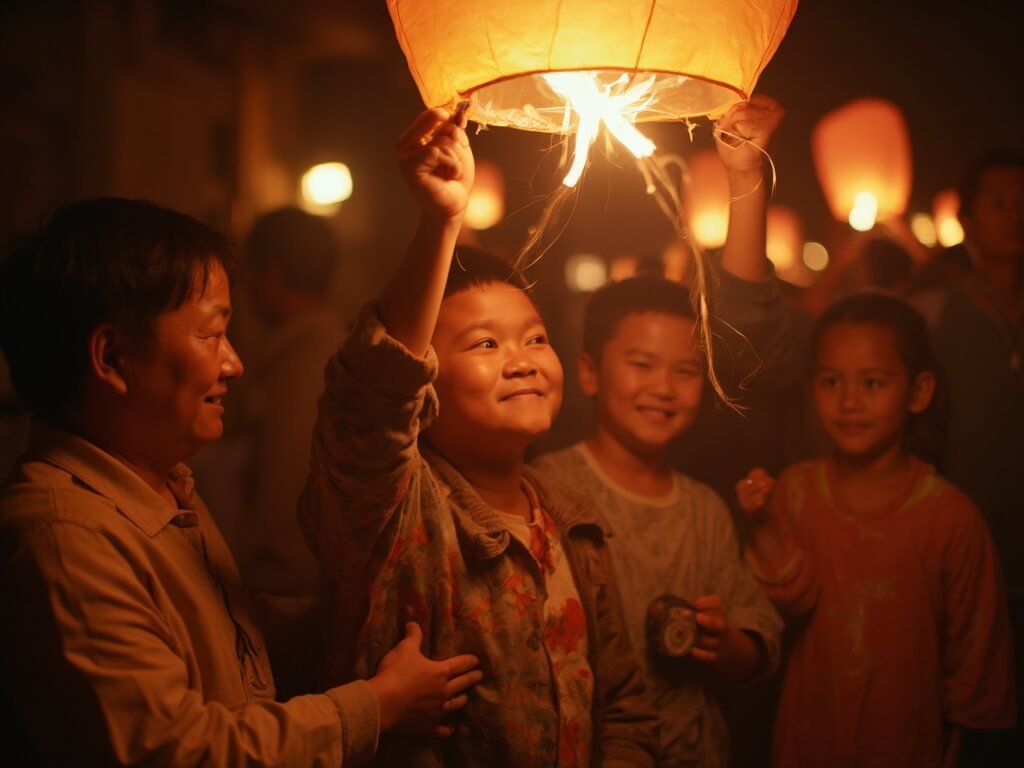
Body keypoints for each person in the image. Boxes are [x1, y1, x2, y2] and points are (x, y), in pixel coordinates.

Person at [0, 197, 482, 766]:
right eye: (211, 335)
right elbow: (178, 751)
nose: (233, 363)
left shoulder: (157, 487)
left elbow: (227, 640)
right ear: (111, 357)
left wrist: (379, 611)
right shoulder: (65, 536)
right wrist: (375, 705)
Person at [298, 108, 659, 766]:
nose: (522, 360)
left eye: (536, 339)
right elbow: (372, 392)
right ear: (426, 378)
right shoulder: (394, 509)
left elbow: (624, 702)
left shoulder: (571, 521)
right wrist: (441, 219)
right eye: (485, 344)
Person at [532, 96, 785, 768]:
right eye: (640, 365)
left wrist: (727, 645)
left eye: (685, 371)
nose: (663, 387)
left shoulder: (703, 509)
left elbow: (760, 635)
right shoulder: (547, 490)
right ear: (589, 372)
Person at [736, 291, 1016, 767]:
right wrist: (762, 526)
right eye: (831, 381)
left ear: (919, 392)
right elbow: (780, 611)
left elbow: (976, 665)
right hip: (807, 743)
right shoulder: (795, 492)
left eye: (872, 383)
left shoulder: (948, 516)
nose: (849, 402)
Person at [908, 150, 1024, 763]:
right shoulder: (935, 309)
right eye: (999, 202)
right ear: (969, 218)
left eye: (1022, 201)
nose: (1015, 215)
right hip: (962, 543)